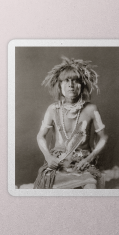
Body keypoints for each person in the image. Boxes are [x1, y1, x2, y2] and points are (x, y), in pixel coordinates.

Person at [34, 57, 108, 189]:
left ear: (82, 85)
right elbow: (40, 136)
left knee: (91, 188)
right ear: (60, 85)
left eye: (75, 81)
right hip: (58, 162)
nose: (71, 85)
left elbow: (103, 137)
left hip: (82, 163)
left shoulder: (91, 109)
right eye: (66, 81)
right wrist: (48, 157)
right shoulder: (53, 109)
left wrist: (89, 159)